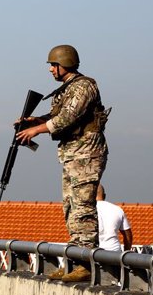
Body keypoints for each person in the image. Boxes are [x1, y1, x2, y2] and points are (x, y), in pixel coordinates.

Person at [15, 44, 110, 282]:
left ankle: (86, 264)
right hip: (72, 154)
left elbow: (68, 117)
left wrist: (37, 130)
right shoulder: (66, 90)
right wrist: (35, 120)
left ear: (64, 64)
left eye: (53, 65)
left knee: (83, 207)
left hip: (86, 154)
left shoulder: (84, 86)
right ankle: (75, 261)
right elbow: (58, 116)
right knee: (70, 207)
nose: (50, 70)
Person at [97, 184, 132, 251]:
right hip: (114, 252)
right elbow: (128, 235)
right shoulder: (117, 209)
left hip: (94, 253)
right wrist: (126, 253)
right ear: (104, 196)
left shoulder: (88, 211)